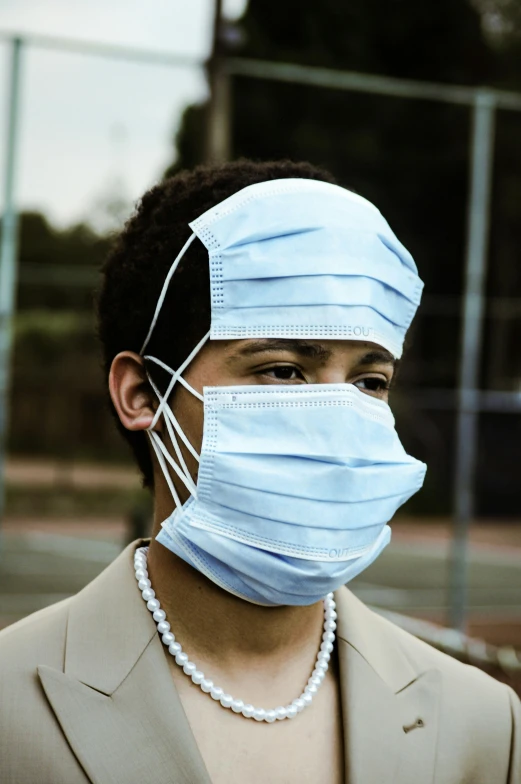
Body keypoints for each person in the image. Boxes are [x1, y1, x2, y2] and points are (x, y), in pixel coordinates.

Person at [0, 159, 519, 784]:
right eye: (283, 369)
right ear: (142, 393)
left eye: (369, 380)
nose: (338, 415)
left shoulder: (486, 725)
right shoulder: (11, 710)